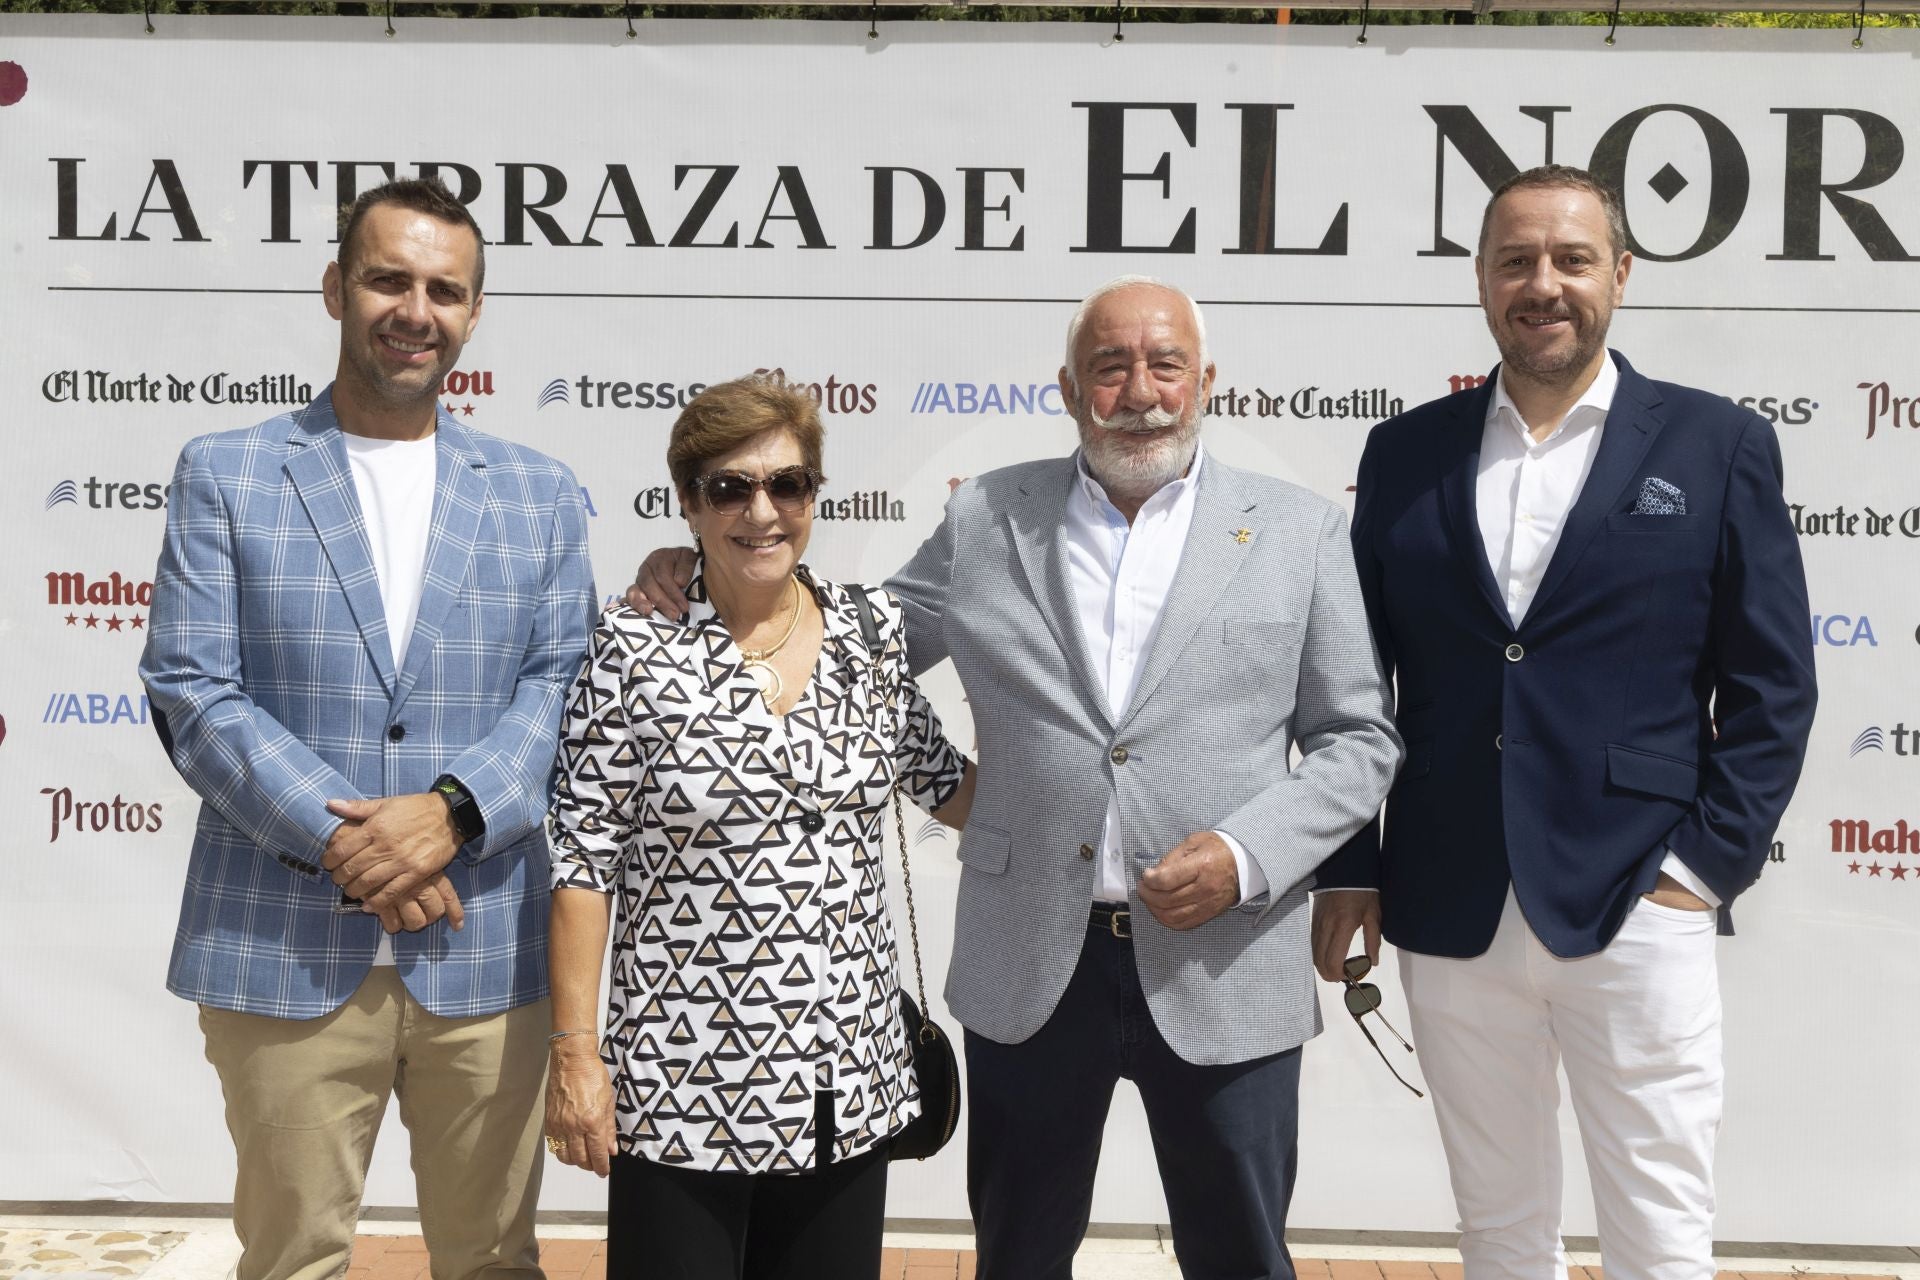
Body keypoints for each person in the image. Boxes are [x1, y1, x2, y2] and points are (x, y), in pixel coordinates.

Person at [629, 278, 1402, 1280]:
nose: (1139, 389)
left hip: (1225, 953)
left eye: (1164, 363)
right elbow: (852, 639)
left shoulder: (1299, 530)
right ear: (1070, 387)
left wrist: (1251, 852)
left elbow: (1357, 737)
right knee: (1017, 1257)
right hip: (1035, 961)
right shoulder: (991, 513)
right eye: (1110, 366)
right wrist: (702, 569)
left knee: (1243, 1258)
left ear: (1205, 380)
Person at [1313, 165, 1818, 1280]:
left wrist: (1704, 867)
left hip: (1640, 891)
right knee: (1497, 1225)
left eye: (1573, 259)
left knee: (1661, 1228)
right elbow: (1351, 683)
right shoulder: (1406, 452)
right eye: (1516, 260)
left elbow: (1774, 684)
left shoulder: (1715, 444)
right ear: (1484, 282)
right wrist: (1352, 860)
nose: (1544, 283)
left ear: (1621, 276)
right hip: (1450, 895)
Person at [140, 176, 596, 1280]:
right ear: (337, 287)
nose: (415, 308)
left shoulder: (538, 492)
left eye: (444, 288)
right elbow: (192, 687)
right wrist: (350, 842)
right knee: (293, 1258)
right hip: (281, 941)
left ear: (474, 314)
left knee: (494, 1260)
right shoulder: (228, 472)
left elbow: (561, 684)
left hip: (485, 945)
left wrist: (450, 813)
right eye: (389, 278)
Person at [543, 375, 977, 1280]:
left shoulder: (872, 633)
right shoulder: (632, 649)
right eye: (730, 488)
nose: (762, 511)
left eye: (788, 484)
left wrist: (1112, 801)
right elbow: (582, 864)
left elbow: (944, 783)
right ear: (689, 503)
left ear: (815, 495)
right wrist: (577, 1057)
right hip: (683, 1085)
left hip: (847, 1082)